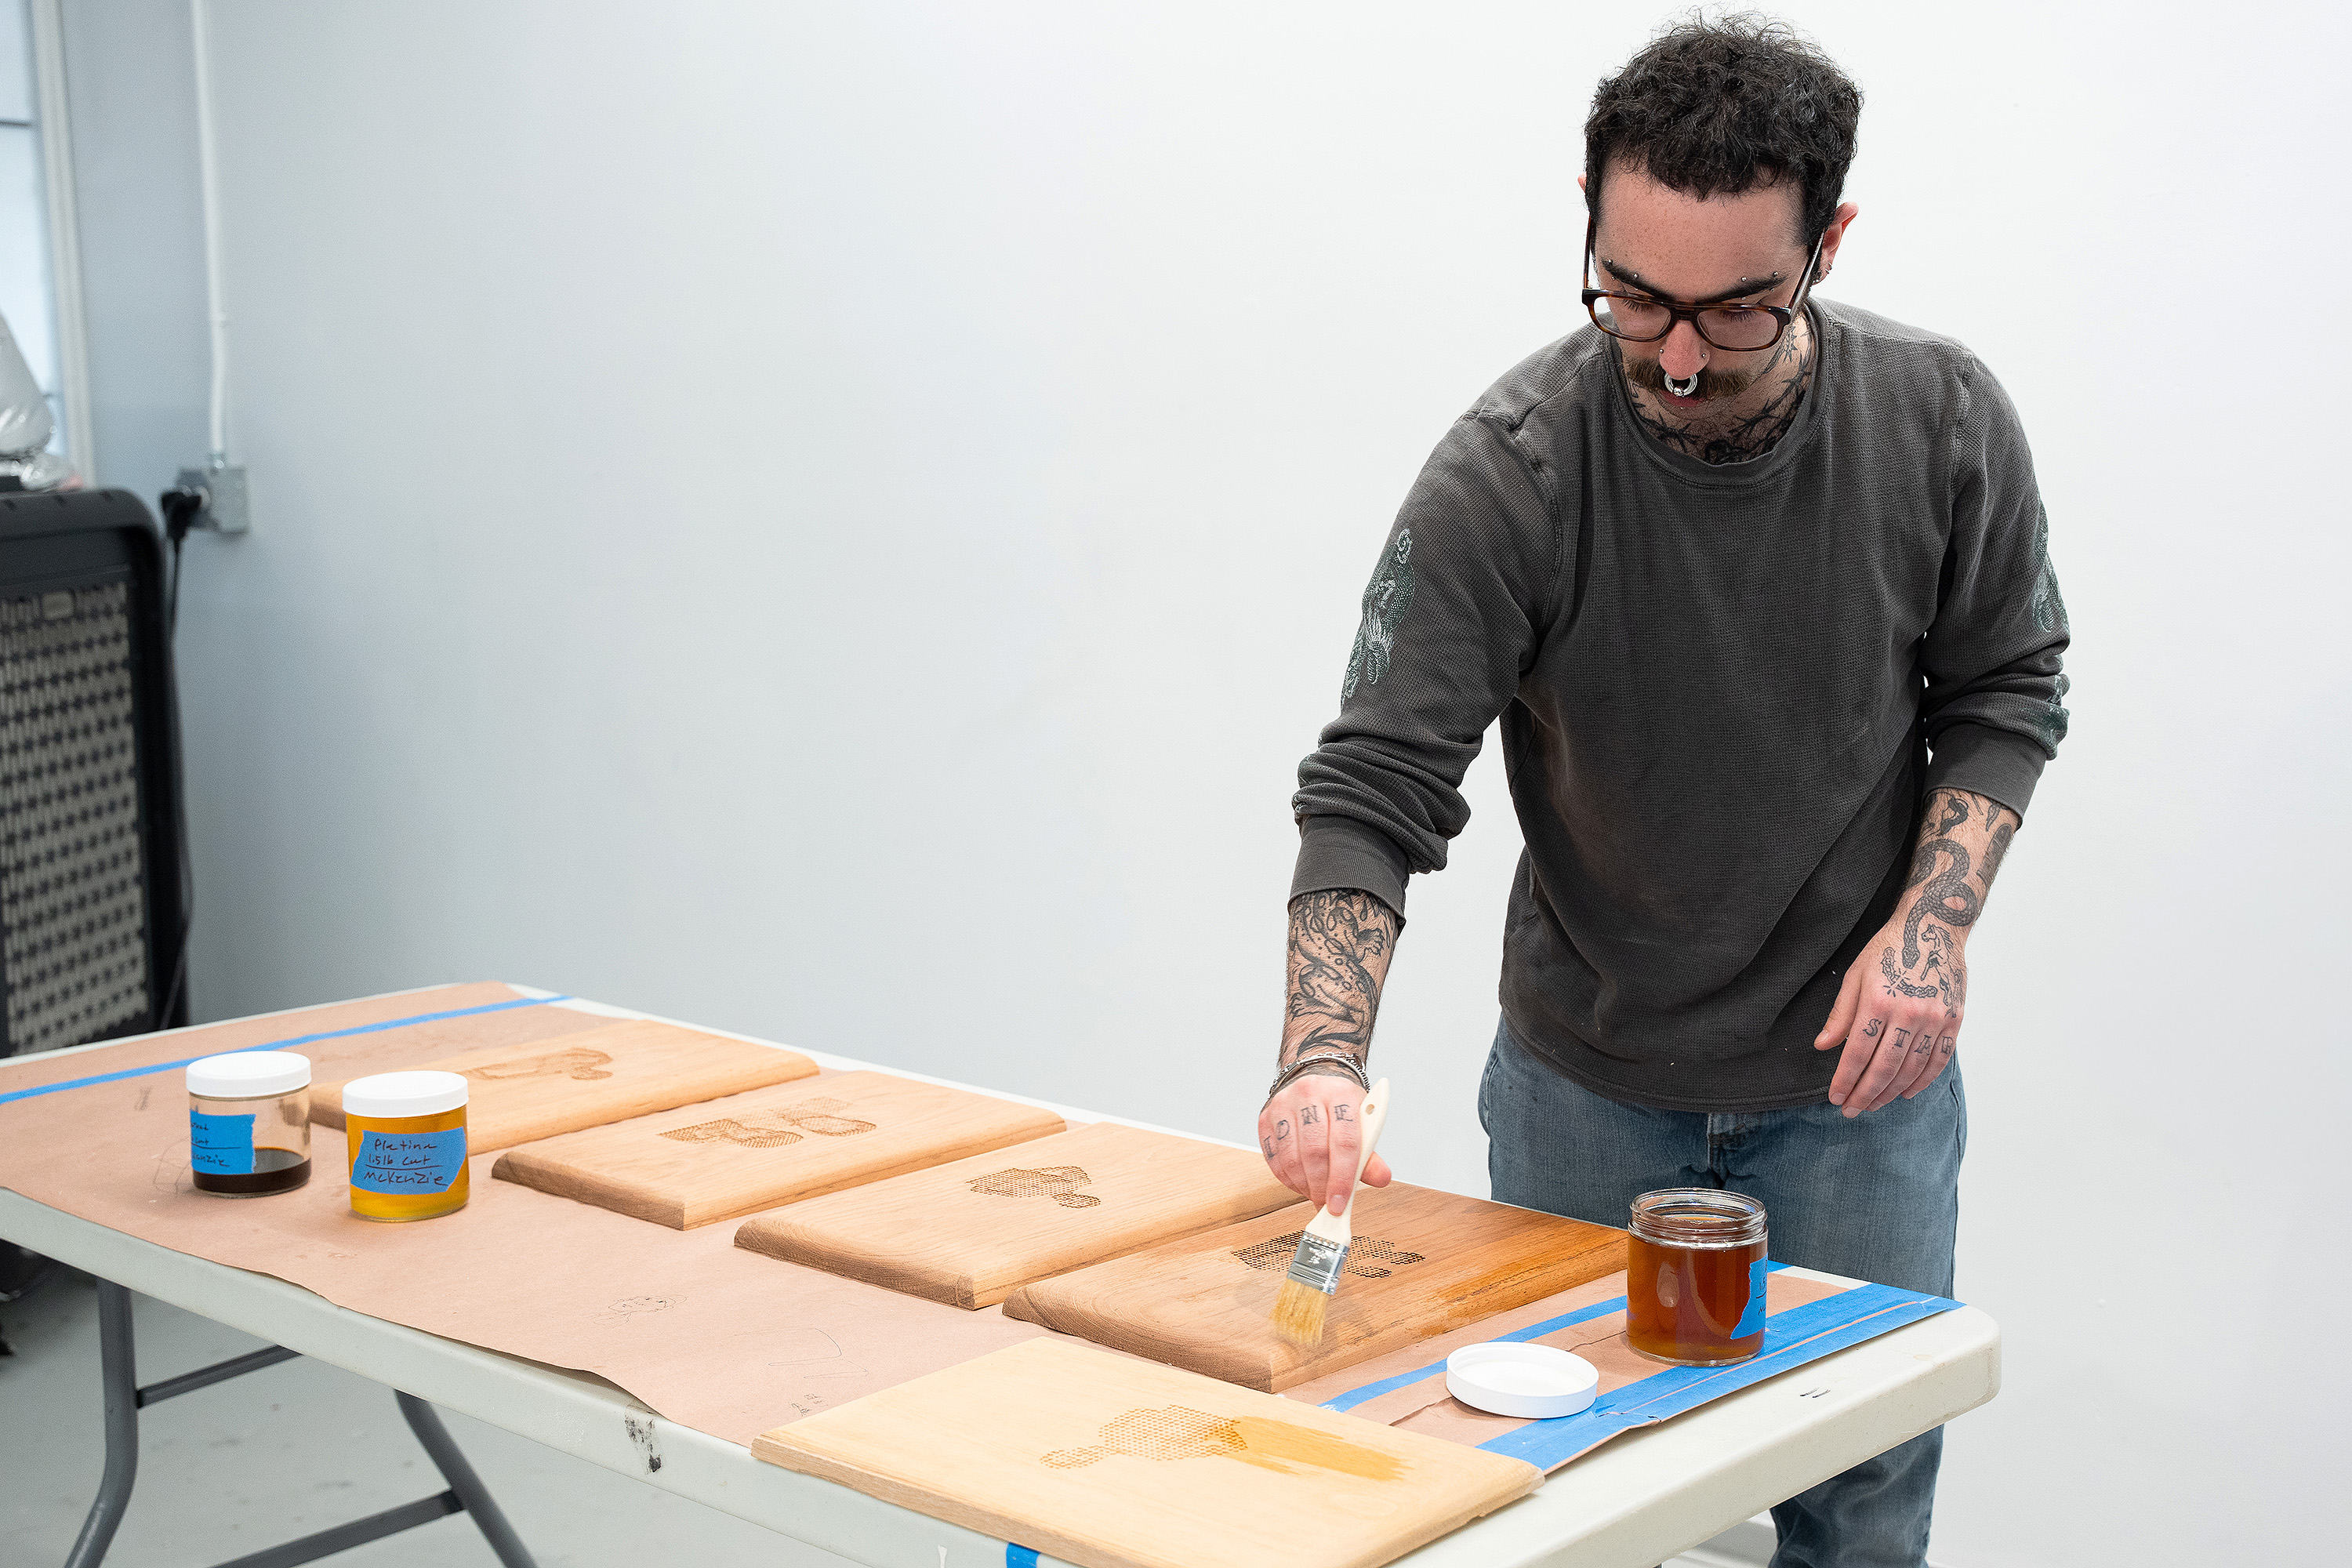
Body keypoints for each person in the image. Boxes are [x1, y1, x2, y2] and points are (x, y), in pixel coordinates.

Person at [1255, 16, 2067, 1566]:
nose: (1678, 353)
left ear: (1827, 243)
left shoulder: (1942, 421)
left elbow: (2007, 687)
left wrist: (1933, 927)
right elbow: (1376, 780)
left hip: (1855, 1107)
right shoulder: (1513, 468)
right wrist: (1318, 1055)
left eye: (1737, 307)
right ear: (1586, 214)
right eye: (1631, 296)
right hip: (1583, 1091)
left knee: (1862, 1509)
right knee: (1566, 1512)